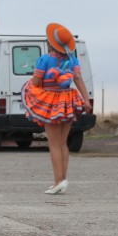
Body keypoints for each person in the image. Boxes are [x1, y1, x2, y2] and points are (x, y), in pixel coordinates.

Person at [22, 23, 92, 194]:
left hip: (51, 102)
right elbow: (78, 80)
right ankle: (63, 179)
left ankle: (58, 181)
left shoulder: (45, 60)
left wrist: (31, 85)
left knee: (53, 145)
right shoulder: (73, 60)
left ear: (50, 43)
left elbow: (36, 82)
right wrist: (86, 100)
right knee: (62, 143)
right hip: (67, 101)